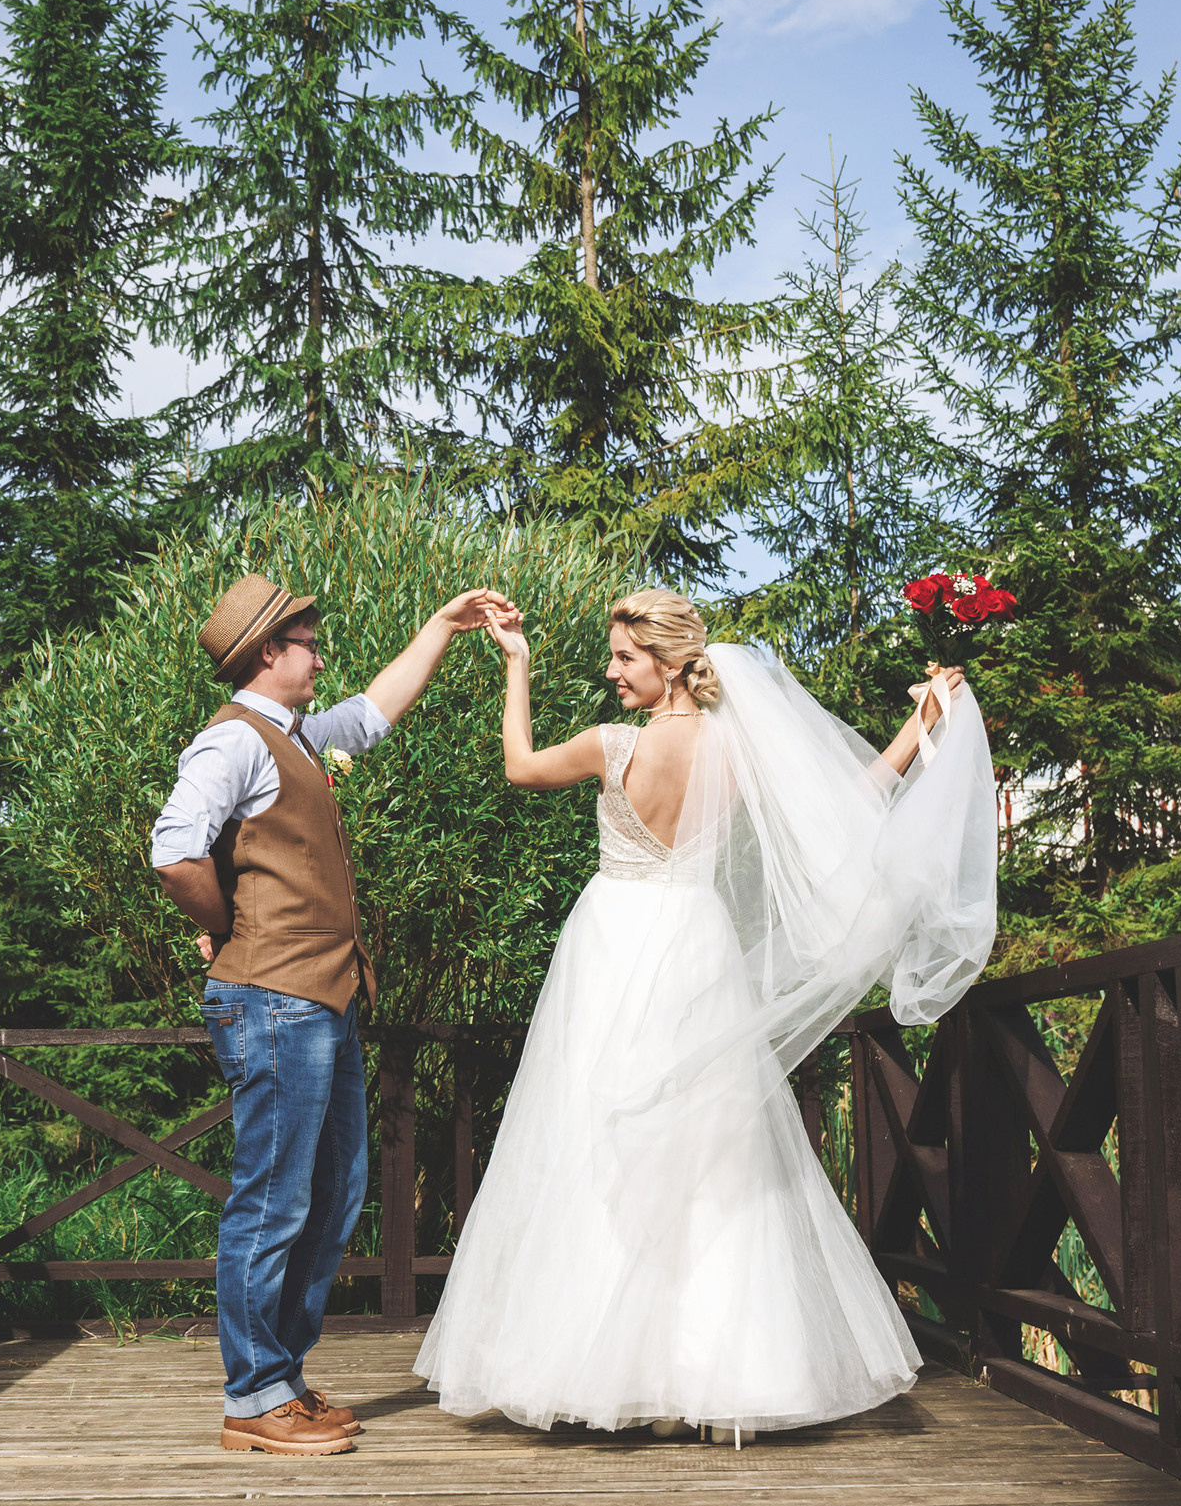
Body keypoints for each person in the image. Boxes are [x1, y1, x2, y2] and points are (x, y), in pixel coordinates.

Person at [413, 588, 998, 1442]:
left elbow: (519, 765)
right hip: (697, 943)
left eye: (623, 657)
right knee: (712, 1154)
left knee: (598, 1135)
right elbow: (852, 800)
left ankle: (600, 1366)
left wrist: (516, 664)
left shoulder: (614, 747)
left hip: (614, 942)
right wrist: (920, 730)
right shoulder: (738, 752)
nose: (612, 671)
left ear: (667, 661)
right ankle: (725, 1371)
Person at [153, 573, 512, 1456]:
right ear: (270, 652)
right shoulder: (232, 743)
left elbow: (374, 712)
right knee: (273, 1200)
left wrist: (442, 623)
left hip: (323, 998)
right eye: (309, 642)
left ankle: (281, 1375)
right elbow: (172, 852)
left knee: (333, 1191)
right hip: (274, 998)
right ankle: (251, 1398)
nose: (321, 655)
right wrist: (223, 920)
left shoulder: (298, 736)